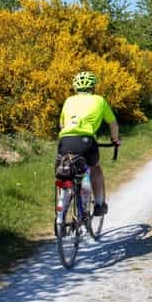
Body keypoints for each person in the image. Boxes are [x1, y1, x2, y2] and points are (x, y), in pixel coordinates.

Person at [58, 71, 120, 216]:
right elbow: (113, 124)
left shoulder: (68, 100)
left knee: (65, 169)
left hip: (65, 140)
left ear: (75, 88)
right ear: (93, 87)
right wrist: (115, 140)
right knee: (95, 168)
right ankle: (99, 204)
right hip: (86, 141)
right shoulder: (99, 100)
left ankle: (61, 210)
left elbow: (61, 124)